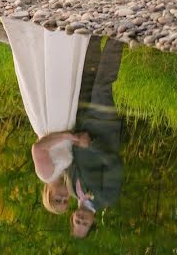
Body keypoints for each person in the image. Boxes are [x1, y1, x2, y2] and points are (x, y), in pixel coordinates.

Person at [1, 17, 92, 214]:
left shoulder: (45, 175)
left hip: (51, 121)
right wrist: (78, 141)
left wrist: (69, 137)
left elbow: (39, 148)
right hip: (63, 120)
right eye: (66, 201)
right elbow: (62, 147)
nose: (65, 197)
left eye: (59, 200)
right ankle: (67, 35)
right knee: (65, 80)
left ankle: (52, 36)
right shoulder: (62, 173)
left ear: (49, 194)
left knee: (53, 81)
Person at [66, 36, 125, 238]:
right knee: (102, 85)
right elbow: (114, 165)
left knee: (86, 77)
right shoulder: (107, 197)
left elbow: (70, 161)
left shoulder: (73, 191)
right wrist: (91, 145)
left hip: (81, 122)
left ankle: (95, 32)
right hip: (103, 126)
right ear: (93, 222)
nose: (81, 219)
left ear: (72, 217)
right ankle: (117, 37)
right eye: (85, 223)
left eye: (77, 222)